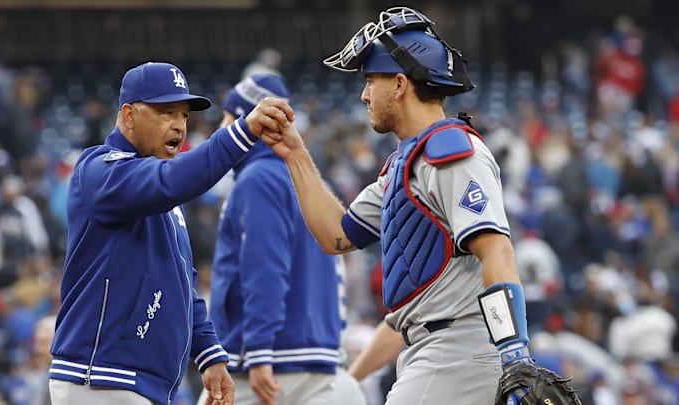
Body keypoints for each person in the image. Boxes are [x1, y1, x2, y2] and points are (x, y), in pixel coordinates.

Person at [263, 6, 576, 404]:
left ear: (398, 84)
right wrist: (295, 154)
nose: (363, 94)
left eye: (370, 80)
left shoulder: (453, 153)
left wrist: (514, 353)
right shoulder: (404, 165)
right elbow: (337, 235)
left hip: (458, 350)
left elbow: (496, 250)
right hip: (427, 350)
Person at [47, 61, 293, 405]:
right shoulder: (99, 170)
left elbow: (180, 280)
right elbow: (171, 180)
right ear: (129, 115)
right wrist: (242, 132)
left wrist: (208, 350)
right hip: (100, 377)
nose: (179, 125)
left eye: (184, 115)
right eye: (166, 113)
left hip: (138, 382)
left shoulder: (162, 189)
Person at [196, 74, 365, 405]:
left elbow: (264, 267)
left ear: (250, 120)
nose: (221, 127)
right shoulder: (304, 178)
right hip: (315, 356)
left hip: (270, 361)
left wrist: (259, 351)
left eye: (229, 117)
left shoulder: (259, 178)